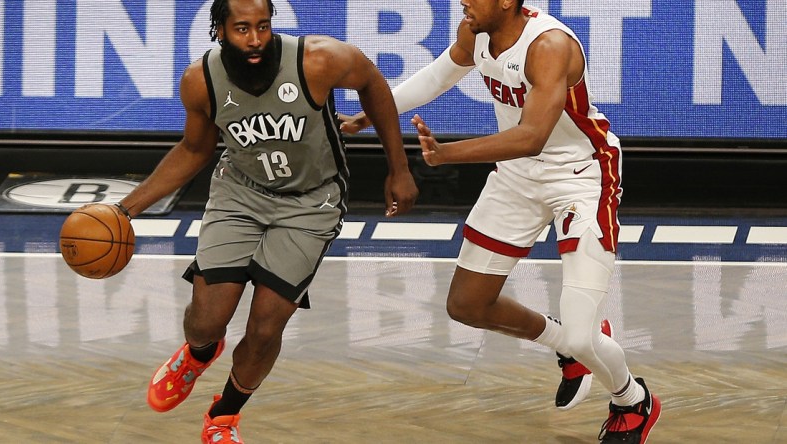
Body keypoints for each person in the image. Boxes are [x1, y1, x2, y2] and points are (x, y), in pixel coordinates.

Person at [340, 1, 660, 443]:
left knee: (586, 336)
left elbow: (531, 137)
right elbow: (438, 75)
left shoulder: (550, 45)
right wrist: (375, 114)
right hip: (517, 177)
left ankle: (632, 400)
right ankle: (568, 345)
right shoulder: (476, 29)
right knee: (467, 305)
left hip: (580, 175)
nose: (463, 2)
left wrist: (446, 153)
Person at [114, 0, 418, 442]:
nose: (255, 40)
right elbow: (195, 150)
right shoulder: (200, 81)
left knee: (264, 327)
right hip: (240, 193)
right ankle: (199, 353)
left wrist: (399, 167)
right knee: (205, 320)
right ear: (219, 30)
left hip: (310, 202)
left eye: (262, 27)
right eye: (241, 29)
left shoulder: (317, 59)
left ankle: (223, 416)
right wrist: (125, 210)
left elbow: (372, 82)